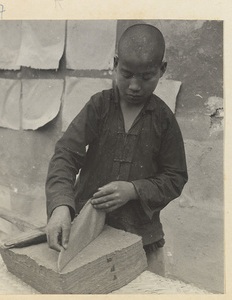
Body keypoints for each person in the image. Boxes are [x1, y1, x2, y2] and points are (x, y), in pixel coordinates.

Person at [45, 24, 188, 276]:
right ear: (115, 64)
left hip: (141, 237)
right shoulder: (99, 106)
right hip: (86, 233)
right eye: (126, 74)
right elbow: (66, 154)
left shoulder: (164, 119)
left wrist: (134, 190)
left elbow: (175, 177)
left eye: (146, 77)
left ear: (162, 70)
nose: (134, 85)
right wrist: (60, 207)